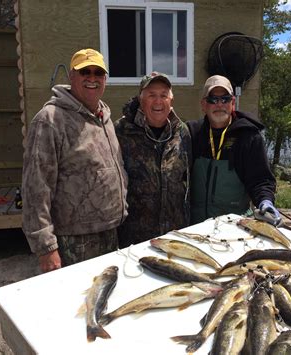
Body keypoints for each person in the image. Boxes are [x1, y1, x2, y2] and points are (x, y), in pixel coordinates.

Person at [22, 48, 128, 273]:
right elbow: (36, 188)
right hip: (74, 241)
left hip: (110, 232)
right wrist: (46, 247)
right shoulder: (50, 120)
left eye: (98, 73)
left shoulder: (105, 118)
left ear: (105, 79)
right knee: (77, 304)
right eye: (85, 72)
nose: (92, 78)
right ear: (72, 76)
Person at [188, 75, 280, 225]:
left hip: (236, 226)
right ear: (203, 104)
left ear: (233, 103)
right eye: (213, 99)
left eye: (225, 99)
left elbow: (261, 180)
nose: (219, 104)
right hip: (195, 226)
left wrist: (265, 202)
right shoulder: (191, 133)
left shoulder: (249, 136)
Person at [115, 72, 191, 248]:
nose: (158, 101)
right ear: (141, 99)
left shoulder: (182, 132)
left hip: (175, 236)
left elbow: (188, 180)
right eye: (151, 95)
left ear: (171, 100)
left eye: (163, 95)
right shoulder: (121, 131)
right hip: (135, 239)